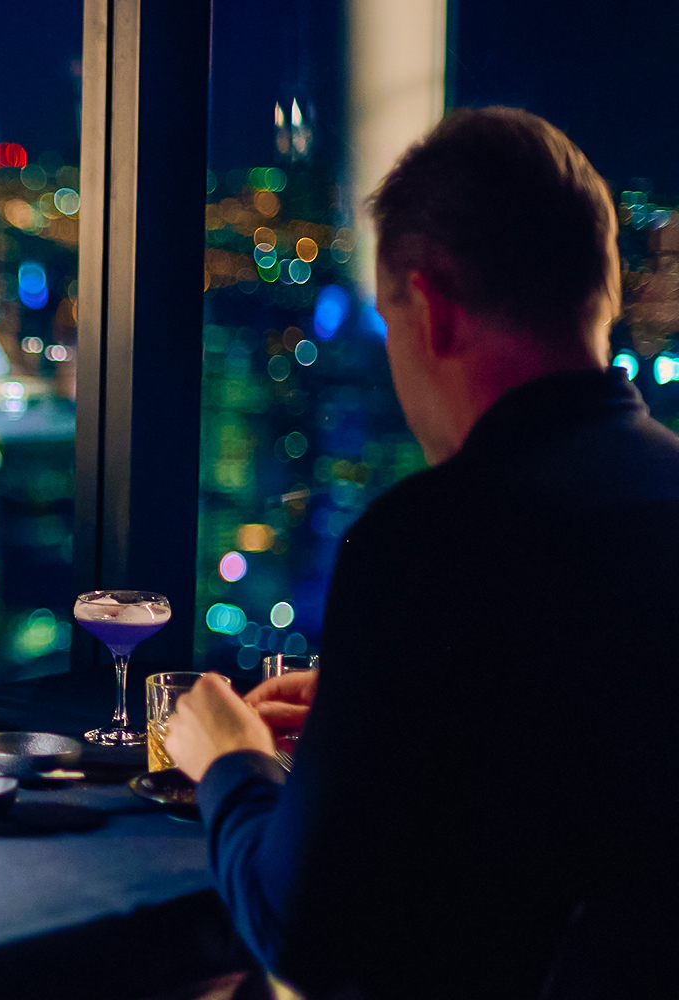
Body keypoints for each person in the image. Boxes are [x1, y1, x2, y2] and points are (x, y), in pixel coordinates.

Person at [163, 107, 679, 999]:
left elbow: (296, 929)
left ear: (431, 310)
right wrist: (383, 697)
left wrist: (228, 758)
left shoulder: (427, 540)